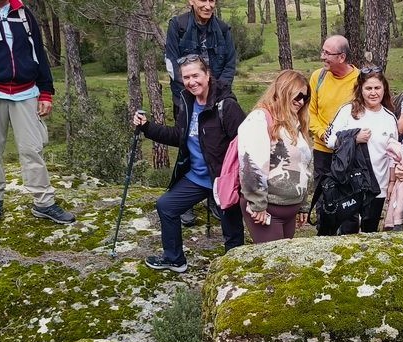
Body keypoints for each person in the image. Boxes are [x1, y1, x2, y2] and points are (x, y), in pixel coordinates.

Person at [0, 0, 75, 225]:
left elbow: (38, 53)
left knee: (32, 148)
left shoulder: (23, 12)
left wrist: (46, 91)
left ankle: (44, 202)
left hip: (26, 91)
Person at [132, 55, 245, 272]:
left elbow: (245, 144)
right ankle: (174, 259)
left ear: (207, 75)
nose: (191, 82)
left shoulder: (227, 106)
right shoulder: (187, 101)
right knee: (166, 206)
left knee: (231, 230)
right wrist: (147, 127)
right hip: (197, 177)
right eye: (186, 77)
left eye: (195, 75)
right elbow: (179, 136)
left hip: (224, 180)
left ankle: (234, 270)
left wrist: (243, 183)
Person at [237, 70, 313, 243]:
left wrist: (303, 204)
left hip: (291, 208)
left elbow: (304, 166)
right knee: (275, 260)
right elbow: (251, 164)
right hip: (267, 209)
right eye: (298, 96)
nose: (301, 101)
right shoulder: (260, 119)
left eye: (305, 97)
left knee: (286, 257)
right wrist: (258, 204)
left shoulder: (296, 124)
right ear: (283, 91)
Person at [326, 67, 399, 233]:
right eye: (368, 88)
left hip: (378, 185)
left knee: (370, 232)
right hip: (349, 185)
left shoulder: (389, 118)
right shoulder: (347, 111)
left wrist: (391, 182)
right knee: (347, 232)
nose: (373, 93)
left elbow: (392, 156)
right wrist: (353, 138)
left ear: (384, 89)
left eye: (377, 88)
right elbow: (329, 140)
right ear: (360, 89)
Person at [165, 0, 236, 122]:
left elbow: (229, 65)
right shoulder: (177, 26)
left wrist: (214, 94)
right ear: (191, 1)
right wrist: (194, 92)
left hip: (216, 100)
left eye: (212, 1)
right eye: (203, 0)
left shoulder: (223, 29)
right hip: (185, 100)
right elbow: (172, 65)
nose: (208, 6)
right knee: (185, 134)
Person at [309, 35, 360, 185]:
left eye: (327, 53)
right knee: (322, 194)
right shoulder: (317, 77)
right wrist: (322, 134)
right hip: (322, 151)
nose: (322, 57)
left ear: (342, 57)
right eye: (322, 51)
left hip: (350, 151)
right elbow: (310, 112)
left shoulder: (361, 80)